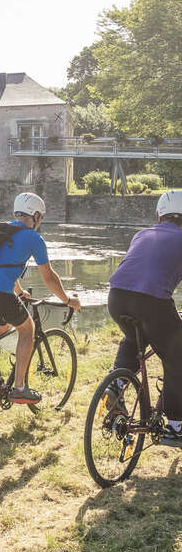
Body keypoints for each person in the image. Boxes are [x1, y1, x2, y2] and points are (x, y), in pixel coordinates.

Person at [0, 192, 81, 404]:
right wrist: (67, 300)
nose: (40, 223)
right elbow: (49, 277)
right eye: (41, 218)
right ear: (35, 216)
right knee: (27, 330)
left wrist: (18, 292)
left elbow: (0, 265)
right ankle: (19, 388)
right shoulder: (34, 238)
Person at [106, 190, 182, 445]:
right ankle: (174, 426)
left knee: (134, 336)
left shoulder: (143, 233)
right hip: (152, 302)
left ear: (159, 215)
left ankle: (116, 384)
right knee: (176, 358)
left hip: (116, 297)